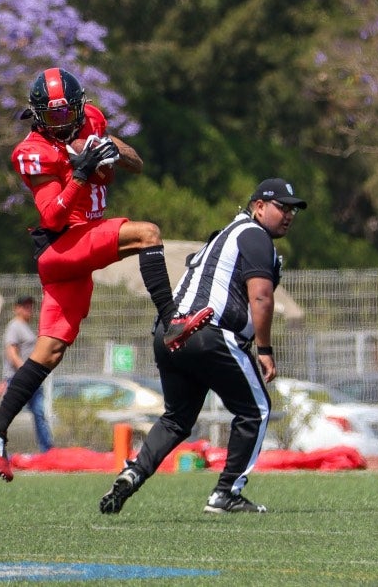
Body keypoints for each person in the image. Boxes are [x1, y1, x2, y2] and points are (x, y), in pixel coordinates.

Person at [0, 67, 213, 480]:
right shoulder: (33, 150)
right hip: (63, 243)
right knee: (147, 233)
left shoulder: (93, 120)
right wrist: (80, 172)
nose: (62, 125)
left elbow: (133, 163)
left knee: (49, 351)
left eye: (68, 116)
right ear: (37, 115)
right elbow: (52, 214)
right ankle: (172, 321)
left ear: (80, 108)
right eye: (53, 117)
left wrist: (112, 150)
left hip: (76, 253)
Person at [99, 177, 307, 514]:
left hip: (169, 334)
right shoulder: (254, 235)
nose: (289, 215)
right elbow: (261, 297)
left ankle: (133, 473)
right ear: (258, 206)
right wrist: (265, 350)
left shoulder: (226, 235)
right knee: (256, 410)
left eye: (293, 209)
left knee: (176, 419)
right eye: (281, 207)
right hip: (209, 332)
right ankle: (226, 493)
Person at [2, 296, 54, 453]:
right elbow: (12, 352)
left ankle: (47, 450)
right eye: (25, 306)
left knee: (39, 413)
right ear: (16, 308)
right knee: (6, 414)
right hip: (19, 378)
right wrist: (25, 371)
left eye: (30, 306)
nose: (29, 309)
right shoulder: (15, 326)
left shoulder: (26, 327)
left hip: (30, 379)